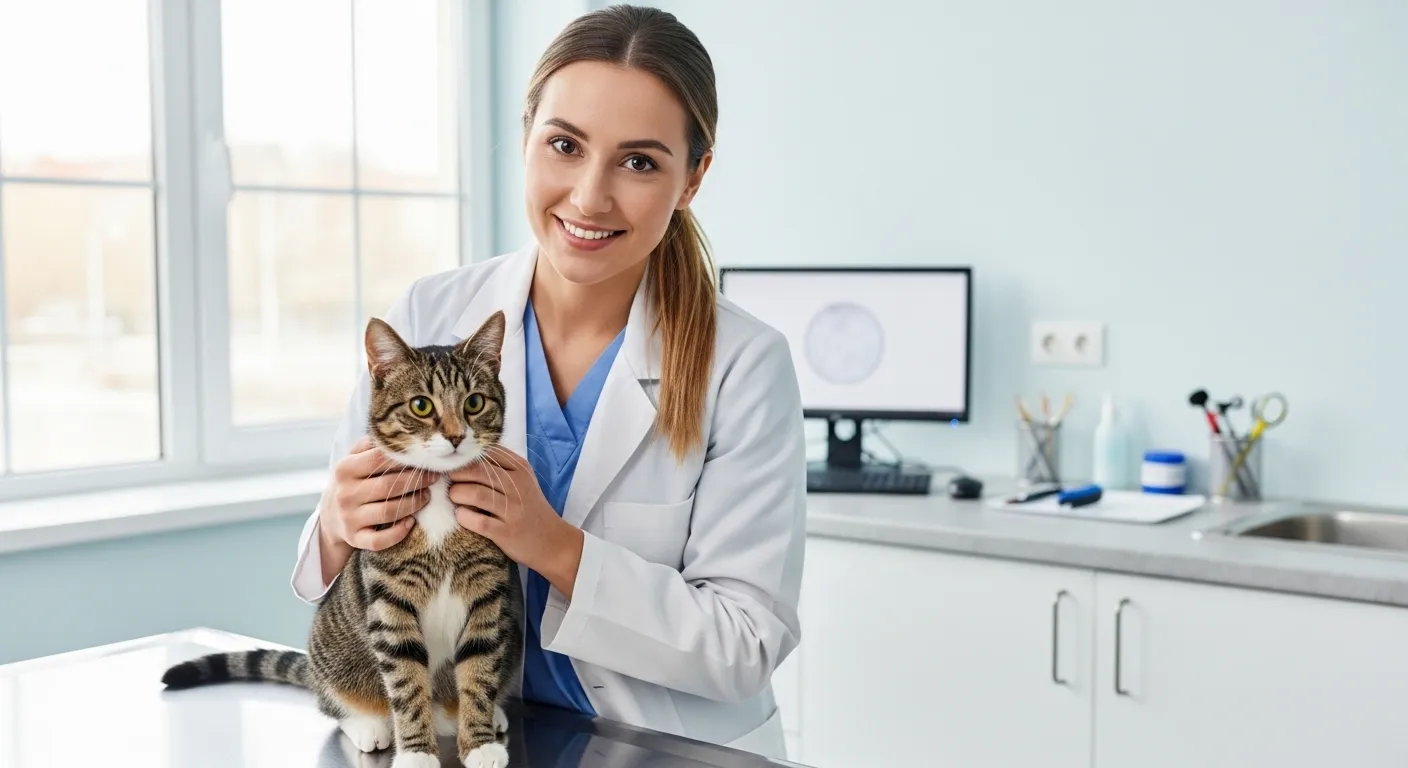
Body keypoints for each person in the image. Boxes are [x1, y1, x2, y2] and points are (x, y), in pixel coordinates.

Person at [288, 4, 807, 758]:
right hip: (488, 738)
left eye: (639, 162)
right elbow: (346, 550)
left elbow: (745, 643)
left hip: (665, 747)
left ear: (693, 177)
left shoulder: (746, 364)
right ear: (526, 136)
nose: (590, 197)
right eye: (565, 145)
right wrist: (338, 520)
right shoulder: (434, 310)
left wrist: (553, 544)